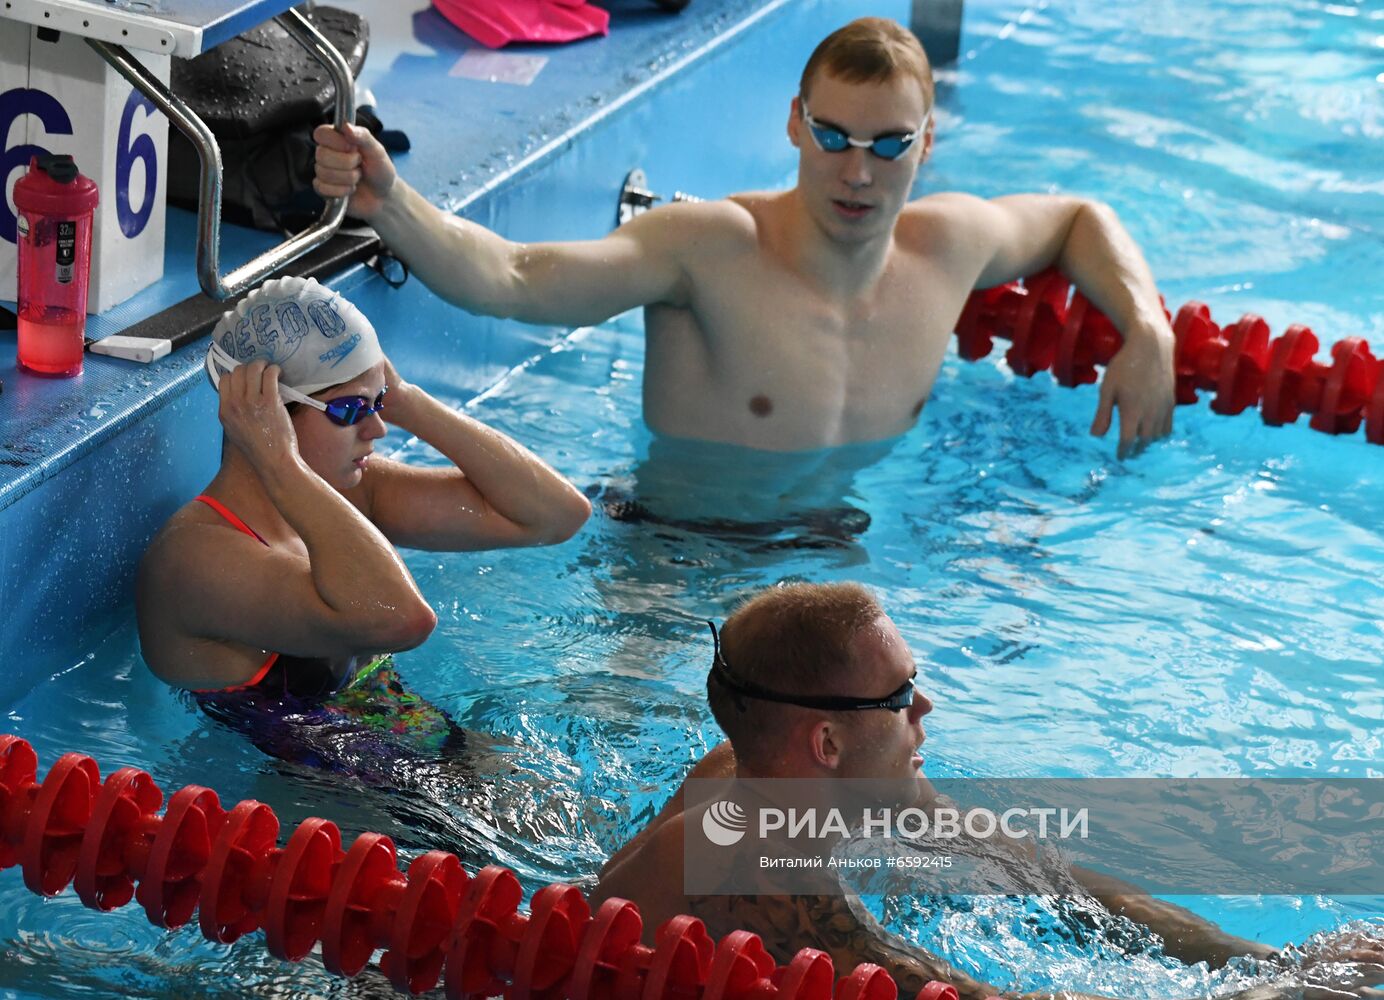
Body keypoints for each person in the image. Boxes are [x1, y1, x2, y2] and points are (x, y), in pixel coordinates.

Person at [313, 17, 1174, 459]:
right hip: (681, 562)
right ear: (795, 124)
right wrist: (391, 204)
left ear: (927, 145)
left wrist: (1149, 330)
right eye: (834, 137)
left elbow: (1078, 218)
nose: (858, 173)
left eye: (888, 147)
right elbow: (514, 276)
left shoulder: (950, 244)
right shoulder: (709, 248)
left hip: (844, 557)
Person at [592, 583, 1384, 1000]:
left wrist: (1264, 957)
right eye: (900, 698)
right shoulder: (755, 869)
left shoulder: (772, 775)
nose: (926, 710)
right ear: (826, 742)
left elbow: (1047, 875)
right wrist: (1285, 994)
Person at [136, 276, 590, 725]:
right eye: (350, 410)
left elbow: (555, 516)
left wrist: (407, 400)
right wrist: (278, 460)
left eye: (379, 404)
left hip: (425, 763)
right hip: (309, 795)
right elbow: (402, 620)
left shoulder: (351, 490)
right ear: (269, 413)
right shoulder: (195, 557)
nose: (378, 430)